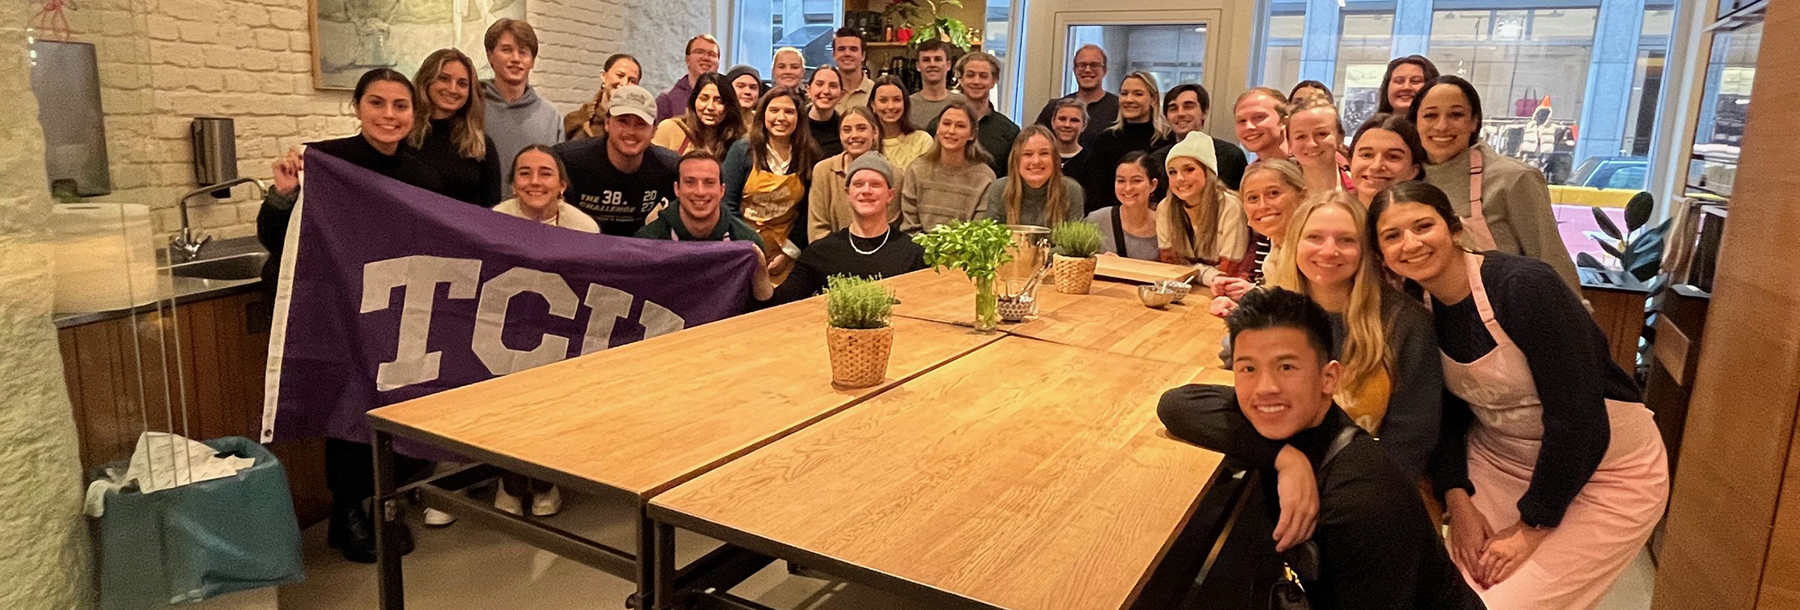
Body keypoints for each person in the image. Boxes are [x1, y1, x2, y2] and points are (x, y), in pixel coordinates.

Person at [1368, 181, 1667, 609]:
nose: (1410, 243)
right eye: (1392, 236)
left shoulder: (1524, 287)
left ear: (1453, 229)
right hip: (1499, 461)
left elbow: (1578, 418)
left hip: (1608, 469)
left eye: (1422, 226)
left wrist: (1532, 529)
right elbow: (1447, 414)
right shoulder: (1417, 307)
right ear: (1382, 256)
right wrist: (1459, 499)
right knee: (1452, 596)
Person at [1157, 288, 1483, 610]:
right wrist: (1285, 459)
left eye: (1286, 367)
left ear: (1329, 378)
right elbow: (1177, 405)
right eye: (1248, 368)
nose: (1265, 388)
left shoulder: (1361, 501)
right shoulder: (1296, 425)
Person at [256, 69, 445, 563]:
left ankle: (374, 504)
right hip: (334, 309)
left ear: (413, 113)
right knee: (347, 409)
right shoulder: (325, 162)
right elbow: (275, 237)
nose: (389, 115)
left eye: (400, 105)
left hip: (393, 310)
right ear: (357, 107)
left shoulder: (423, 175)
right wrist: (284, 194)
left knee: (391, 409)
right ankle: (348, 511)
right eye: (377, 103)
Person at [1207, 191, 1445, 478]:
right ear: (1295, 243)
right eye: (1314, 238)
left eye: (1346, 240)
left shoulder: (1406, 323)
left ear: (1366, 250)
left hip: (1363, 483)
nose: (1329, 251)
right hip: (1273, 474)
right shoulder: (1268, 311)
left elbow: (1411, 439)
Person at [1409, 76, 1580, 293]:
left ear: (1474, 122)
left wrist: (1573, 319)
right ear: (1415, 123)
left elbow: (1552, 261)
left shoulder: (1513, 178)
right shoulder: (1410, 182)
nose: (1442, 126)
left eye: (1456, 115)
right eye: (1430, 115)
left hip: (1507, 316)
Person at [769, 152, 927, 305]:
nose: (866, 190)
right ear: (848, 193)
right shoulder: (821, 252)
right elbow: (780, 303)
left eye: (875, 184)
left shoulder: (914, 254)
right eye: (858, 184)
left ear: (890, 195)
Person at [637, 151, 776, 304]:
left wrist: (761, 272)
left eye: (709, 183)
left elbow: (761, 309)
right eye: (690, 182)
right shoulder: (647, 242)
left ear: (722, 190)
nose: (700, 192)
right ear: (677, 189)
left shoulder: (747, 241)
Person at [722, 87, 821, 284]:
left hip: (785, 252)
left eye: (789, 112)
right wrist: (751, 246)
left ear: (799, 117)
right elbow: (726, 204)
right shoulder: (742, 150)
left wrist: (787, 253)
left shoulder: (809, 153)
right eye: (774, 110)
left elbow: (807, 210)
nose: (781, 117)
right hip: (742, 246)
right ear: (763, 114)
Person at [553, 84, 680, 236]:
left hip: (631, 251)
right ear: (607, 123)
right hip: (576, 246)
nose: (631, 132)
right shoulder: (567, 160)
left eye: (641, 124)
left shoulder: (668, 166)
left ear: (654, 130)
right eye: (623, 121)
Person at [409, 48, 500, 208]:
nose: (452, 89)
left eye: (462, 84)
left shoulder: (480, 145)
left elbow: (492, 209)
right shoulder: (403, 136)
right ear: (426, 81)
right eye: (443, 78)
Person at [1156, 130, 1248, 287]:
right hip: (1180, 289)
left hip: (1223, 292)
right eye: (1172, 172)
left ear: (1208, 172)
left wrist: (1194, 271)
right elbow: (1171, 267)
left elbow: (1227, 273)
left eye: (1189, 169)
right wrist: (1207, 274)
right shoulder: (1165, 208)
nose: (1180, 178)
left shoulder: (1230, 207)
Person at [481, 19, 562, 195]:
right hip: (478, 214)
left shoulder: (551, 117)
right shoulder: (473, 107)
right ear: (490, 56)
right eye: (506, 50)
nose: (515, 59)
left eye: (523, 52)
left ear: (532, 61)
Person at [1086, 71, 1175, 213]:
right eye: (1124, 93)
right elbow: (1096, 194)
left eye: (1138, 94)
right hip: (1113, 219)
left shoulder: (1168, 140)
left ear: (1153, 99)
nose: (1129, 99)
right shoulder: (1106, 140)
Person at [900, 101, 995, 233]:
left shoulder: (985, 178)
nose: (951, 131)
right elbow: (909, 227)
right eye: (946, 124)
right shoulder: (916, 170)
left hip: (964, 252)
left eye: (960, 126)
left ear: (972, 134)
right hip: (918, 251)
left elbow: (977, 233)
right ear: (938, 128)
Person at [1214, 159, 1307, 294]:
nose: (1262, 205)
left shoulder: (1309, 251)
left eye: (1273, 193)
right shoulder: (1275, 251)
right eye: (1253, 198)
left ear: (1302, 197)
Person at [808, 106, 893, 241]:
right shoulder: (823, 171)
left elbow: (891, 226)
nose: (854, 135)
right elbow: (817, 227)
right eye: (847, 130)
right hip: (831, 257)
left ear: (875, 133)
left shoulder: (893, 173)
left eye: (861, 128)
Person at [981, 126, 1083, 227]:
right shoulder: (1000, 189)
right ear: (1016, 160)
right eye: (1027, 154)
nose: (1036, 161)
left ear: (1055, 159)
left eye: (1044, 153)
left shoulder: (1071, 190)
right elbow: (989, 237)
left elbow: (1074, 242)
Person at [1158, 83, 1247, 191]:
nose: (1180, 113)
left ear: (1204, 112)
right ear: (1167, 117)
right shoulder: (1157, 159)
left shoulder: (1231, 156)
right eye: (1173, 108)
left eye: (1188, 106)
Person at [497, 144, 599, 232]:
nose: (534, 181)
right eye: (525, 173)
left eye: (545, 174)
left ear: (562, 185)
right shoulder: (494, 223)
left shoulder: (585, 228)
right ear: (513, 185)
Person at [1030, 44, 1118, 144]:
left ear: (1105, 70)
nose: (1088, 70)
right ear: (1075, 69)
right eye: (1082, 65)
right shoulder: (1055, 107)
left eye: (1094, 65)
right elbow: (1035, 142)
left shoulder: (1118, 108)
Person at [1084, 151, 1160, 261]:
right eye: (1121, 181)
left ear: (1153, 185)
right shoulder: (1096, 220)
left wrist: (1123, 265)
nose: (1128, 188)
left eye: (1136, 181)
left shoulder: (1165, 225)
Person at [651, 72, 747, 157]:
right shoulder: (670, 128)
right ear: (694, 100)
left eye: (719, 101)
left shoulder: (738, 139)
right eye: (704, 98)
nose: (710, 107)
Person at [955, 51, 1018, 177]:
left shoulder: (1010, 132)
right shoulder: (940, 126)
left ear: (994, 81)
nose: (976, 81)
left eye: (983, 76)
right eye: (970, 75)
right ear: (961, 79)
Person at [1348, 113, 1425, 206]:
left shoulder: (1424, 218)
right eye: (1367, 155)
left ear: (1414, 170)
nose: (1376, 166)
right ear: (1350, 161)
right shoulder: (1331, 216)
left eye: (1393, 157)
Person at [562, 53, 642, 141]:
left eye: (632, 81)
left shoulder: (640, 127)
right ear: (603, 76)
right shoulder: (576, 120)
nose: (624, 83)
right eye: (619, 75)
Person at [1287, 96, 1353, 194]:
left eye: (1321, 134)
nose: (1311, 144)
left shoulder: (1361, 191)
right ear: (1289, 143)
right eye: (1301, 136)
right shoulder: (1281, 197)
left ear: (1340, 137)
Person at [1048, 99, 1103, 210]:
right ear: (1053, 122)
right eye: (1062, 119)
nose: (1067, 125)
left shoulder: (1092, 162)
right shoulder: (1041, 158)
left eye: (1074, 120)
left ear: (1084, 126)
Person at [869, 75, 932, 171]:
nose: (890, 106)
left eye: (896, 100)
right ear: (873, 105)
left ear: (905, 103)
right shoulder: (867, 142)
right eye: (883, 100)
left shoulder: (922, 141)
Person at [657, 34, 721, 123]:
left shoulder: (727, 98)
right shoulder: (667, 99)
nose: (706, 58)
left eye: (712, 54)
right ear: (687, 59)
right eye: (699, 52)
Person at [908, 40, 965, 129]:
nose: (932, 64)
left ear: (948, 65)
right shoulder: (907, 105)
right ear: (918, 66)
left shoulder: (963, 103)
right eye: (926, 60)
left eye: (938, 59)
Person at [1235, 87, 1290, 163]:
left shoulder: (1307, 168)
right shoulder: (1251, 171)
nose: (1248, 127)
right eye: (1242, 121)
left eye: (1259, 117)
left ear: (1283, 121)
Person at [805, 66, 846, 157]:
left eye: (833, 86)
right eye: (819, 84)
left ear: (841, 95)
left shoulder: (845, 129)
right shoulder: (794, 124)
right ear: (808, 91)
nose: (826, 91)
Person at [832, 27, 873, 113]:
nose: (847, 54)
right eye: (841, 49)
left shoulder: (875, 92)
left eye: (853, 49)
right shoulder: (825, 93)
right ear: (834, 55)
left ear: (863, 55)